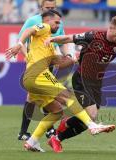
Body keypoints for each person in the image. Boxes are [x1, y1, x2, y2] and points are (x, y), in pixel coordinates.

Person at [6, 10, 115, 152]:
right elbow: (28, 30)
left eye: (60, 22)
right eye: (56, 22)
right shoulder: (43, 27)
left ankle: (32, 141)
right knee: (68, 96)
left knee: (56, 111)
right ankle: (92, 125)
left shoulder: (48, 44)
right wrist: (19, 44)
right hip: (37, 75)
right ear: (47, 21)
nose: (59, 25)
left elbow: (59, 64)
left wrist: (72, 59)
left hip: (31, 80)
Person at [44, 15, 116, 153]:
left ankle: (58, 137)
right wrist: (52, 39)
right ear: (111, 28)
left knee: (88, 120)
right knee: (91, 117)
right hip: (81, 79)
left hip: (96, 83)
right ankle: (59, 134)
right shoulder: (93, 36)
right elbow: (69, 38)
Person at [17, 0, 70, 141]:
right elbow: (21, 39)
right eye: (48, 7)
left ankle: (47, 129)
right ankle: (24, 131)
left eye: (53, 7)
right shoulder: (33, 21)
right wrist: (27, 56)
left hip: (50, 61)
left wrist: (68, 55)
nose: (51, 9)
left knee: (47, 95)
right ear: (41, 8)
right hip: (36, 63)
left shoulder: (58, 22)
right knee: (33, 96)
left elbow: (62, 41)